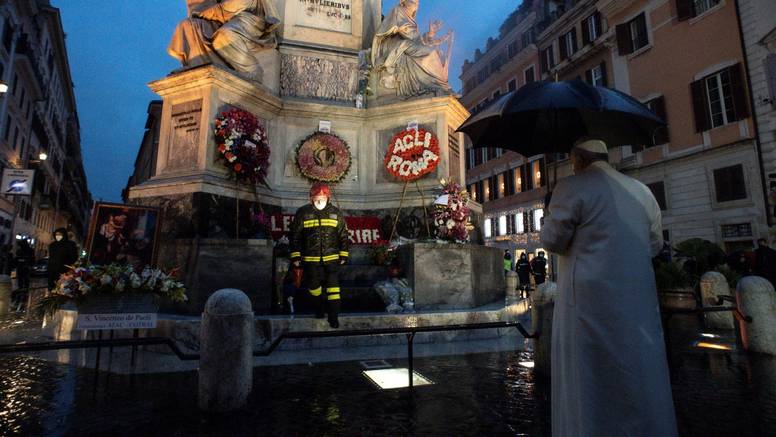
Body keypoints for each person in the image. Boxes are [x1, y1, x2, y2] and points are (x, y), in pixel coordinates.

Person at [540, 138, 677, 436]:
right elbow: (654, 245)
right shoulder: (642, 192)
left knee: (589, 386)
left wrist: (547, 216)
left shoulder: (571, 187)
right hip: (637, 305)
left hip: (588, 308)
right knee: (639, 375)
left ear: (577, 158)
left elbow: (552, 240)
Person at [168, 0, 280, 81]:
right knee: (187, 26)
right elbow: (199, 6)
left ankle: (252, 71)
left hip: (249, 17)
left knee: (225, 36)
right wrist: (203, 10)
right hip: (221, 18)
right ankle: (197, 65)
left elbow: (239, 4)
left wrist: (209, 12)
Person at [290, 183, 350, 328]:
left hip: (332, 259)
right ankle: (319, 308)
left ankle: (333, 316)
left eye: (322, 197)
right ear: (311, 198)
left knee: (333, 289)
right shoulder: (303, 213)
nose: (319, 200)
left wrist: (343, 254)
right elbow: (295, 236)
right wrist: (296, 257)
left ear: (328, 197)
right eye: (316, 197)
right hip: (311, 259)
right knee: (313, 287)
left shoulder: (336, 213)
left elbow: (343, 235)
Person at [370, 0, 453, 97]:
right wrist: (397, 29)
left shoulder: (410, 18)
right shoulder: (398, 11)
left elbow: (416, 38)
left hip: (408, 43)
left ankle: (440, 85)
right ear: (404, 2)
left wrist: (430, 35)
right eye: (413, 1)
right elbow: (398, 31)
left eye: (417, 2)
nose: (416, 4)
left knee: (438, 53)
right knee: (430, 53)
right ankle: (432, 85)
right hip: (396, 44)